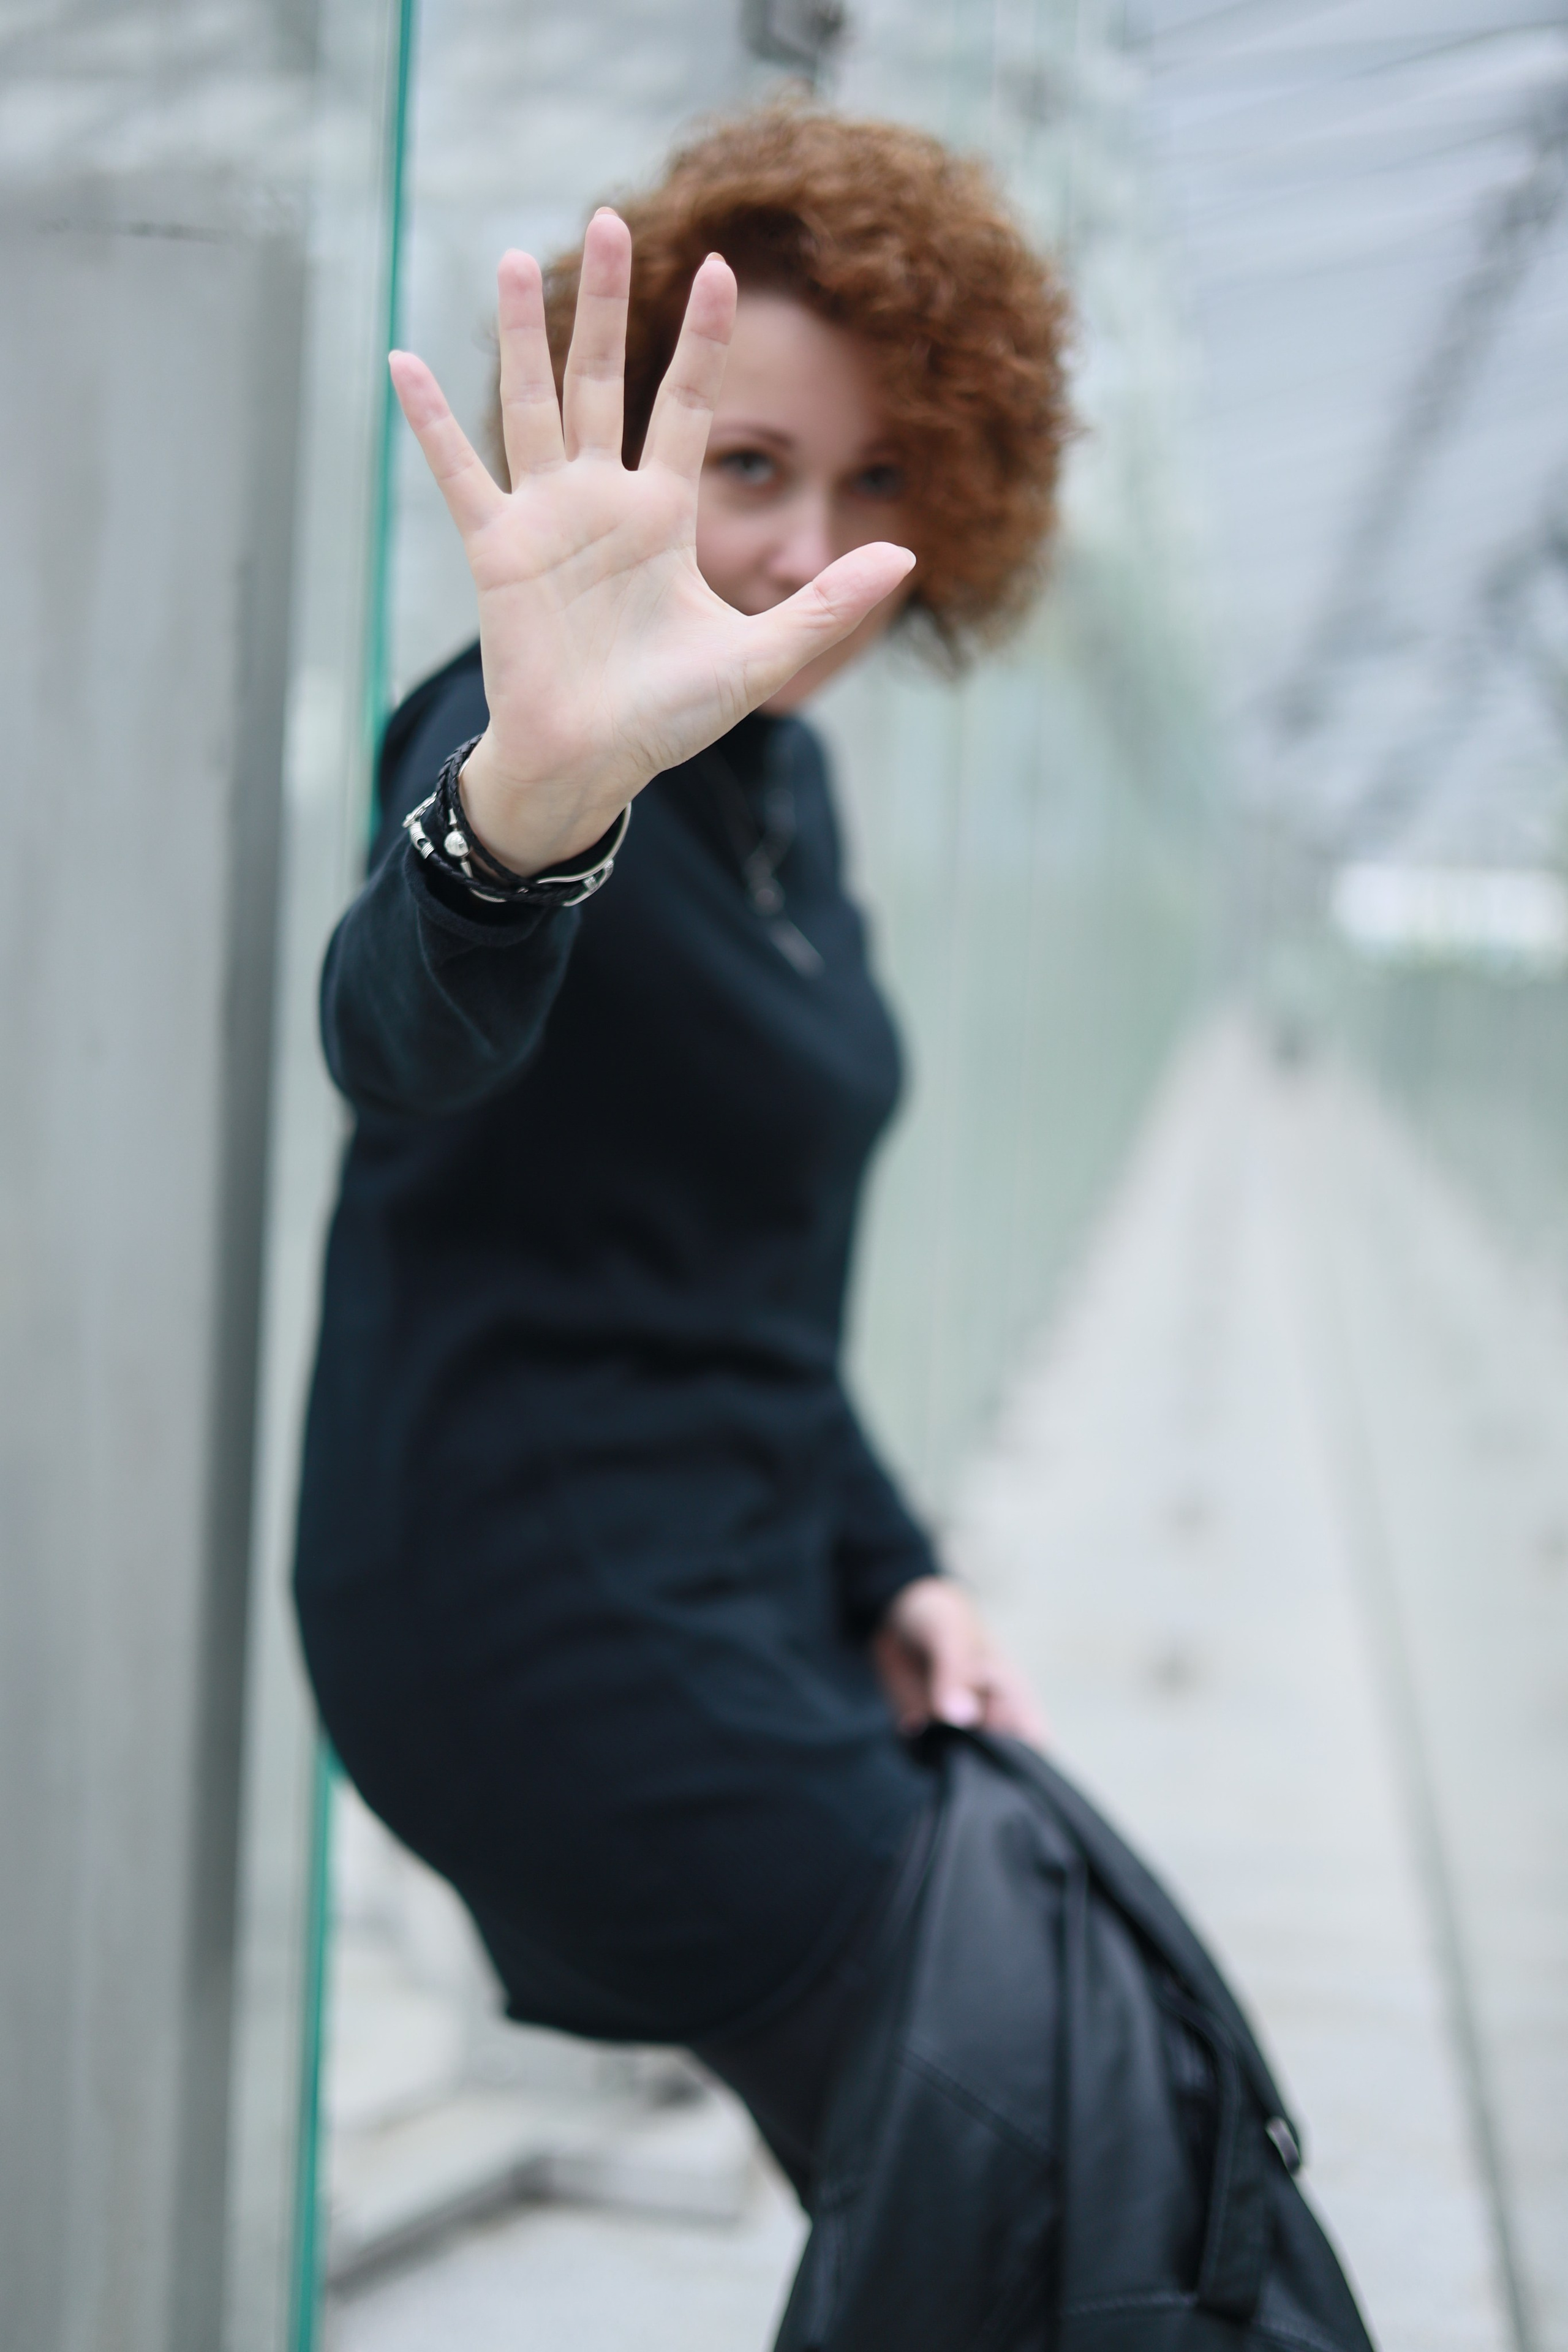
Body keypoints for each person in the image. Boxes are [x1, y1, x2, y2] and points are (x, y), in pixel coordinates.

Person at [296, 106, 1071, 2217]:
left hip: (746, 1593)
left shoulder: (781, 796)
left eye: (881, 478)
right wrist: (514, 818)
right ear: (640, 447)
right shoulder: (537, 730)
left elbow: (751, 1290)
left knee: (1088, 2067)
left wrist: (891, 1561)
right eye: (750, 465)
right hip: (530, 1609)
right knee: (1034, 2140)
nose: (810, 541)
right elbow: (399, 1034)